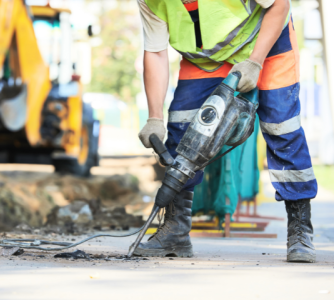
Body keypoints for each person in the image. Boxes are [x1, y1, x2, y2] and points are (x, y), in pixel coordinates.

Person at [135, 0, 317, 263]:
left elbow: (279, 4)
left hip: (266, 43)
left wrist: (255, 61)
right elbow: (155, 52)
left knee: (281, 128)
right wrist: (154, 117)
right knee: (182, 131)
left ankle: (300, 232)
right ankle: (175, 231)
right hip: (205, 59)